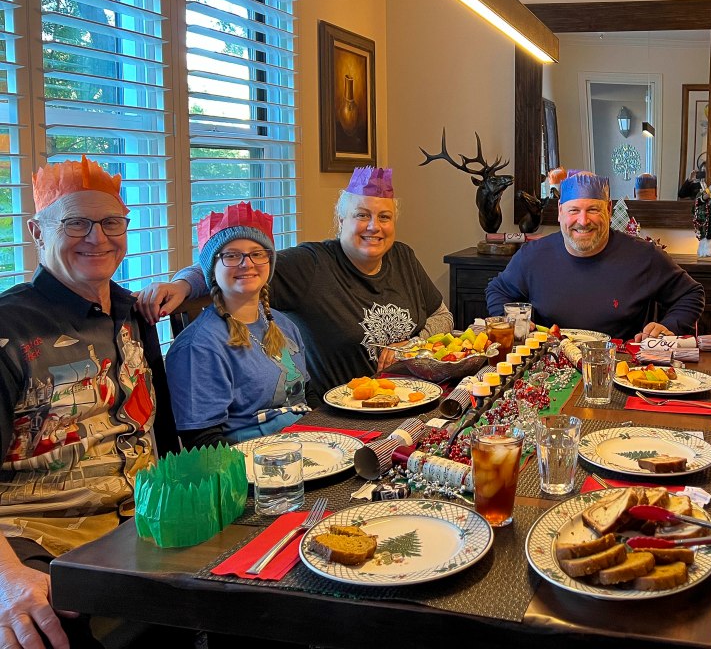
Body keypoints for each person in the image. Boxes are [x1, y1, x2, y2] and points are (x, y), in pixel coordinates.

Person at [0, 156, 177, 649]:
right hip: (38, 540)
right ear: (37, 231)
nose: (97, 237)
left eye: (110, 222)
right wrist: (7, 579)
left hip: (143, 526)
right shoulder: (8, 330)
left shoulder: (133, 313)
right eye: (75, 223)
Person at [138, 167, 453, 402]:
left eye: (384, 217)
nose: (374, 227)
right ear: (341, 221)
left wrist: (412, 346)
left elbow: (443, 316)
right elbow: (239, 261)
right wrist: (184, 285)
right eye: (362, 215)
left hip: (415, 396)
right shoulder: (310, 265)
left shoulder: (403, 256)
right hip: (344, 413)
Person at [485, 170, 704, 341]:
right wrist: (511, 320)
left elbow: (692, 293)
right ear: (560, 211)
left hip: (621, 368)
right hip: (550, 366)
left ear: (608, 210)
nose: (583, 221)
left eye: (593, 210)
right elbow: (497, 290)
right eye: (574, 210)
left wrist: (669, 326)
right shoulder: (533, 256)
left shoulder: (644, 256)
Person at [166, 202, 311, 448]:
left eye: (257, 253)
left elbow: (308, 396)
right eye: (231, 255)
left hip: (307, 443)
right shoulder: (198, 347)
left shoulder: (283, 325)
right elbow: (203, 442)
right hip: (252, 458)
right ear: (212, 270)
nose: (247, 263)